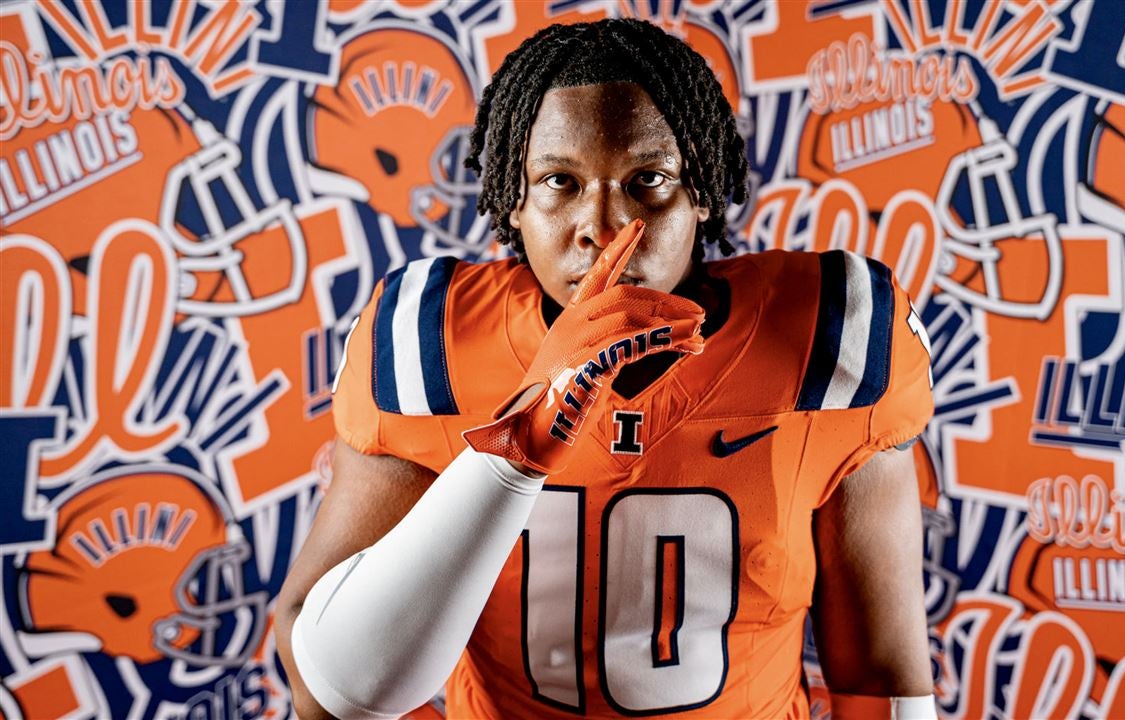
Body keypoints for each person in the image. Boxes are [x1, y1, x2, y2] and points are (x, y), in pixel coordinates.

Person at [276, 18, 936, 720]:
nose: (605, 225)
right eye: (559, 181)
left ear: (702, 192)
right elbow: (328, 687)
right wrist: (514, 445)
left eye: (647, 179)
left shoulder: (827, 341)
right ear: (513, 201)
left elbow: (880, 676)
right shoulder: (430, 346)